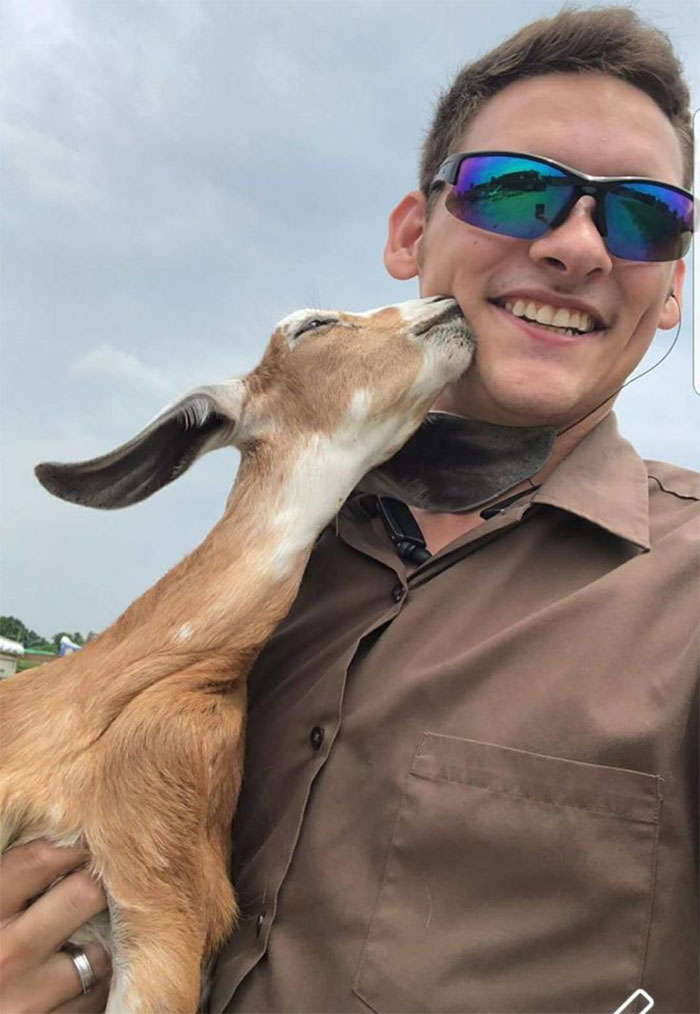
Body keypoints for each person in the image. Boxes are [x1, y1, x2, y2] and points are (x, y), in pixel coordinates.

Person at [1, 6, 697, 1013]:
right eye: (514, 190)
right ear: (412, 232)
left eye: (643, 216)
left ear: (670, 283)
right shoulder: (228, 603)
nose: (577, 245)